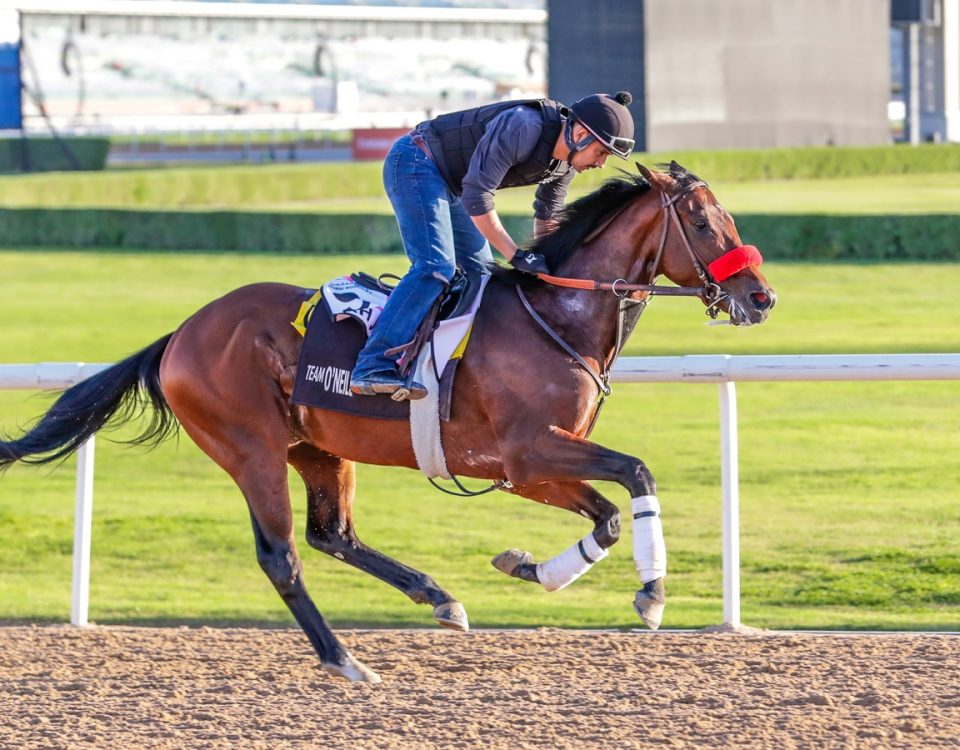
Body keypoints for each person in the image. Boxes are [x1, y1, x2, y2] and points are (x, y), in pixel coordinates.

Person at [350, 90, 636, 400]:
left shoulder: (565, 163)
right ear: (580, 134)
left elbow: (548, 215)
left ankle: (450, 364)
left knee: (482, 277)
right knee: (435, 268)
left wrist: (548, 262)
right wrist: (516, 255)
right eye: (601, 152)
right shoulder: (523, 126)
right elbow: (477, 196)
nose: (602, 164)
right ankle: (372, 364)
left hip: (453, 183)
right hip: (415, 162)